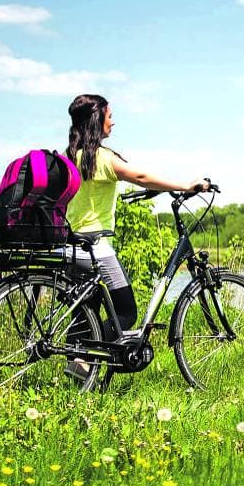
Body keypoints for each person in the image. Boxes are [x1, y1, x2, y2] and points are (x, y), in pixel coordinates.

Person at [64, 93, 209, 342]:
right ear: (97, 119)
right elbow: (140, 177)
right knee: (127, 313)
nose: (113, 122)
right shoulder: (103, 158)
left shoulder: (69, 157)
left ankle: (78, 369)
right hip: (96, 248)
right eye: (110, 116)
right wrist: (187, 185)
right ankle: (88, 355)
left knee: (85, 313)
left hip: (70, 247)